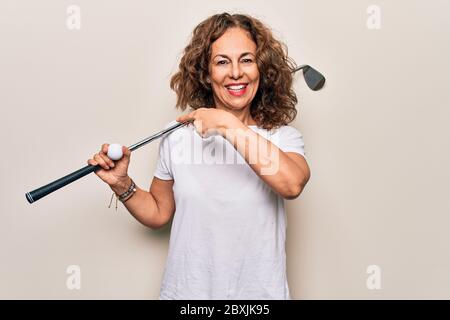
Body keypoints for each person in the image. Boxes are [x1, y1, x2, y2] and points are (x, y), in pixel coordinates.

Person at [87, 12, 311, 300]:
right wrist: (121, 184)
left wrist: (227, 123)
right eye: (221, 62)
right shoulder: (177, 135)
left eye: (246, 60)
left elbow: (291, 184)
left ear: (261, 68)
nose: (235, 73)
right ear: (206, 73)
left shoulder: (281, 137)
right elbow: (158, 212)